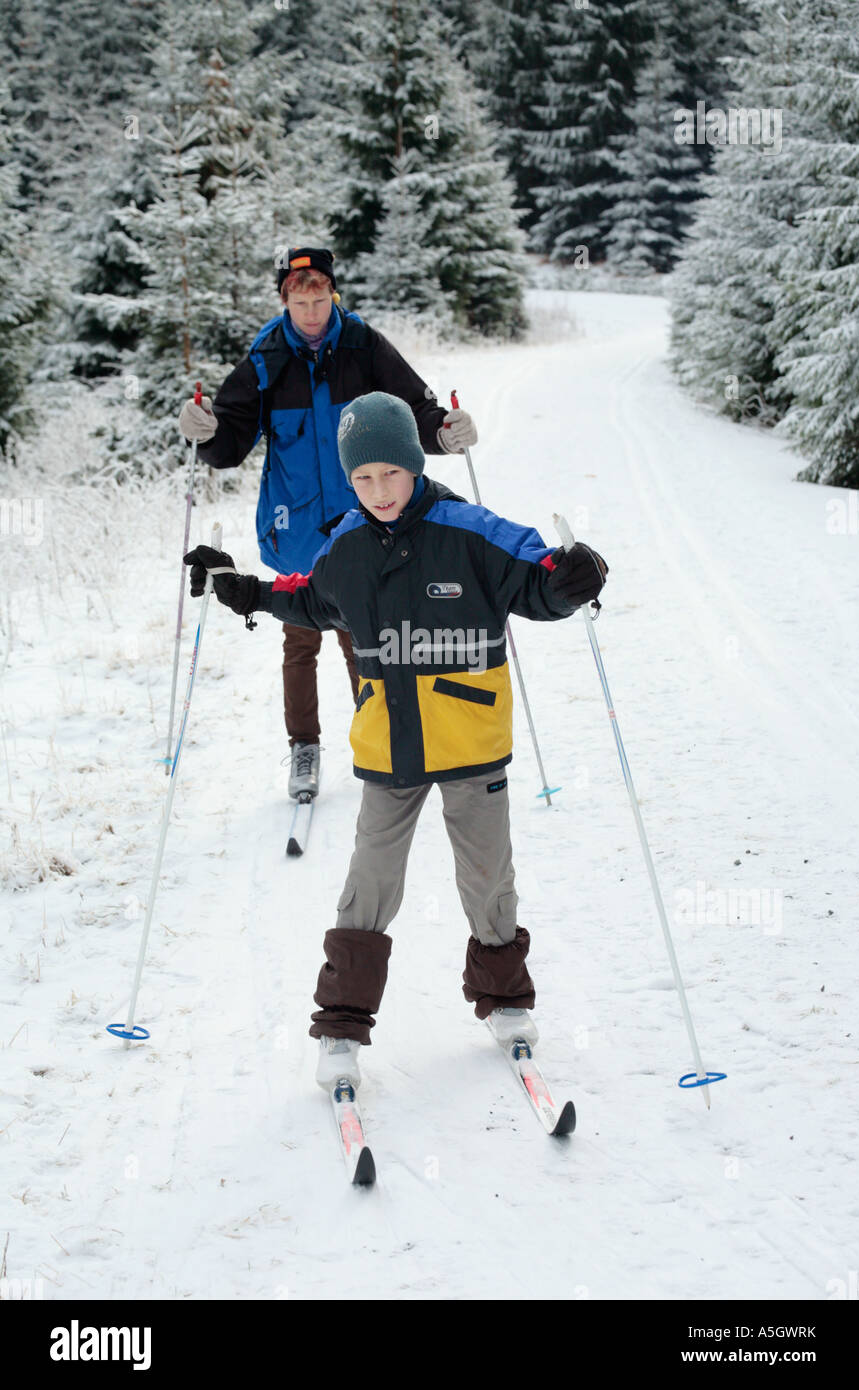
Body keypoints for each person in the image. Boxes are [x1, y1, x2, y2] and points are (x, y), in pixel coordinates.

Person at [184, 392, 608, 1090]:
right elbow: (309, 599)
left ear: (414, 464)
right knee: (369, 885)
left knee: (487, 878)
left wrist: (571, 580)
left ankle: (504, 1002)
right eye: (362, 478)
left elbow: (539, 582)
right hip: (389, 751)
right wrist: (245, 590)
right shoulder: (346, 544)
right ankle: (342, 1026)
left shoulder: (472, 530)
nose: (378, 491)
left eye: (390, 473)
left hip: (471, 741)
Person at [178, 247, 477, 800]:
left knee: (364, 637)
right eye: (300, 301)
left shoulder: (364, 346)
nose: (311, 311)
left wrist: (444, 433)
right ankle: (305, 748)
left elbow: (413, 409)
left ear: (332, 294)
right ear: (285, 301)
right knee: (300, 639)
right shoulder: (268, 357)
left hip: (362, 519)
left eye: (320, 299)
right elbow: (229, 442)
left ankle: (381, 735)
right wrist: (203, 429)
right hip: (294, 525)